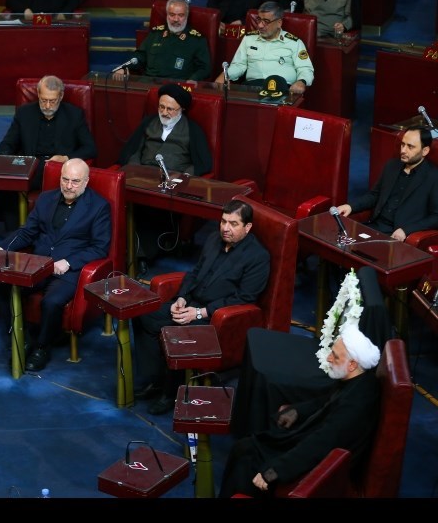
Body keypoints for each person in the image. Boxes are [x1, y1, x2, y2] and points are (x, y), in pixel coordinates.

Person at [132, 199, 270, 415]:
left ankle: (170, 393)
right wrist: (181, 298)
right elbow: (195, 273)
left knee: (177, 333)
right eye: (223, 221)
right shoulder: (214, 239)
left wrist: (199, 313)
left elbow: (245, 298)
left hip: (215, 315)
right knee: (143, 313)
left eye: (233, 224)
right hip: (191, 302)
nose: (225, 228)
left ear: (247, 227)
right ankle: (156, 379)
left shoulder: (258, 257)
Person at [218, 324, 381, 498]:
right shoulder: (357, 380)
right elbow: (324, 402)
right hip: (313, 441)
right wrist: (297, 411)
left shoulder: (357, 403)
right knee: (244, 448)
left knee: (246, 457)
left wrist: (274, 471)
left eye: (334, 356)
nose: (328, 359)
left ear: (352, 364)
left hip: (321, 465)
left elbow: (322, 444)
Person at [0, 158, 111, 372]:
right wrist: (3, 248)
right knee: (0, 287)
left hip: (70, 269)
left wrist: (69, 262)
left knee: (52, 302)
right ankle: (22, 339)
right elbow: (27, 232)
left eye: (75, 181)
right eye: (65, 179)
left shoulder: (99, 207)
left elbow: (100, 247)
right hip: (39, 263)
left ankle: (42, 348)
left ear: (86, 181)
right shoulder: (46, 198)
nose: (69, 186)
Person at [117, 83, 212, 266]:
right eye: (161, 107)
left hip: (170, 183)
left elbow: (203, 164)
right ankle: (126, 251)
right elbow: (133, 151)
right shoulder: (149, 122)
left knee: (152, 210)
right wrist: (135, 171)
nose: (165, 112)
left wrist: (181, 179)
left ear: (181, 109)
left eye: (170, 109)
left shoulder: (192, 129)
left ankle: (140, 256)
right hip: (141, 178)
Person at [0, 74, 97, 230]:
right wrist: (11, 160)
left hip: (58, 169)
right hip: (30, 165)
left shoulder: (74, 115)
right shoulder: (24, 113)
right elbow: (6, 145)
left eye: (52, 101)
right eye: (43, 100)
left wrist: (66, 158)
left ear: (61, 96)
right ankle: (13, 233)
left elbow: (90, 148)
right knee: (3, 176)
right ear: (38, 94)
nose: (47, 106)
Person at [335, 126, 438, 241]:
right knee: (336, 239)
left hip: (396, 235)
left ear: (425, 151)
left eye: (410, 147)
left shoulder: (433, 177)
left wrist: (406, 230)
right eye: (403, 144)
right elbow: (374, 195)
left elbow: (436, 217)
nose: (403, 150)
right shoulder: (392, 166)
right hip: (374, 226)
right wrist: (351, 206)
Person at [215, 1, 314, 95]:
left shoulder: (294, 42)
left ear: (279, 23)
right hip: (252, 89)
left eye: (266, 21)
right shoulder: (249, 39)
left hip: (282, 90)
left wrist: (302, 81)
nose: (260, 25)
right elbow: (239, 65)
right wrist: (225, 75)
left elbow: (305, 68)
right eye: (258, 20)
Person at [112, 0, 211, 82]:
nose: (176, 19)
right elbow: (140, 56)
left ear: (186, 16)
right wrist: (125, 68)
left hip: (175, 86)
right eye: (172, 15)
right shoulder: (156, 33)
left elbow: (204, 68)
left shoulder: (197, 39)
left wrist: (193, 79)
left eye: (181, 15)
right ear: (167, 15)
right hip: (148, 82)